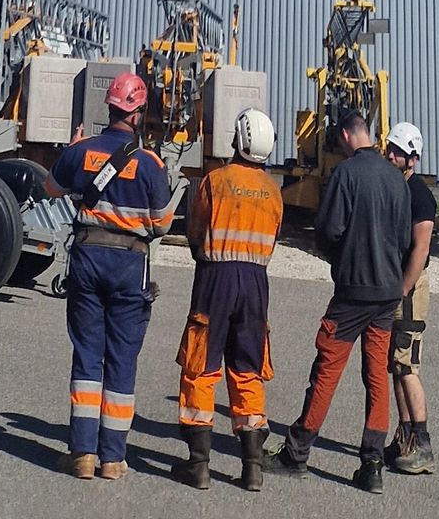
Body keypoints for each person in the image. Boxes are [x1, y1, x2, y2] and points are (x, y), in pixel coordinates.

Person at [273, 109, 412, 493]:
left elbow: (328, 231)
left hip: (352, 292)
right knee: (376, 377)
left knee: (327, 370)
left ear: (348, 136)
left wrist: (341, 258)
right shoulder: (396, 179)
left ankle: (297, 453)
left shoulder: (346, 174)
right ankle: (372, 465)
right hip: (386, 294)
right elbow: (404, 240)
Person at [53, 69, 178, 480]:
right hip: (129, 265)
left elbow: (52, 188)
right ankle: (112, 459)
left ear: (109, 108)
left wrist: (72, 150)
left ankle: (82, 454)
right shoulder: (150, 164)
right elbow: (162, 225)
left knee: (88, 355)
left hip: (87, 258)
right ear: (138, 114)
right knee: (122, 359)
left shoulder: (82, 151)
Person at [175, 106, 284, 493]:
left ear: (237, 140)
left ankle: (198, 465)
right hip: (255, 284)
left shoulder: (215, 181)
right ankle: (252, 467)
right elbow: (272, 239)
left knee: (201, 365)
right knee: (248, 367)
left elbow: (195, 230)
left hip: (215, 278)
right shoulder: (274, 190)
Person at [384, 123, 438, 477]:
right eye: (389, 148)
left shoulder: (420, 196)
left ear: (412, 159)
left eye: (398, 152)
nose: (390, 155)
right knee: (396, 365)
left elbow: (420, 249)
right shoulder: (395, 187)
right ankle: (403, 437)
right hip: (396, 287)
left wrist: (402, 288)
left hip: (410, 290)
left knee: (407, 366)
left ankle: (422, 444)